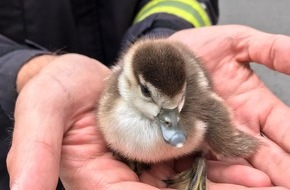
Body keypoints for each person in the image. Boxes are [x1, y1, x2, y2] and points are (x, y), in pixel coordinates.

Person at [1, 0, 290, 189]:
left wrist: (167, 29)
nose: (172, 125)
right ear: (127, 83)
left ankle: (197, 161)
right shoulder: (113, 103)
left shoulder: (186, 107)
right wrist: (24, 69)